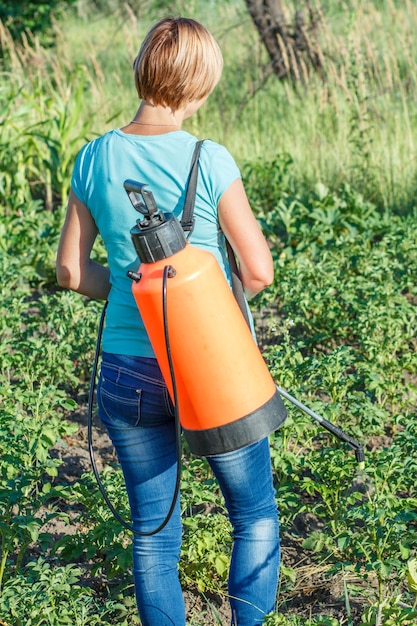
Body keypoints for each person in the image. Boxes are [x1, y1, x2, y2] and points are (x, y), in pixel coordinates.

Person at [56, 16, 281, 626]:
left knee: (154, 535)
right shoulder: (209, 158)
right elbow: (257, 272)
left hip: (129, 366)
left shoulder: (95, 155)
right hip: (210, 367)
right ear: (201, 85)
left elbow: (72, 274)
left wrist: (134, 286)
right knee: (253, 514)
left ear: (142, 70)